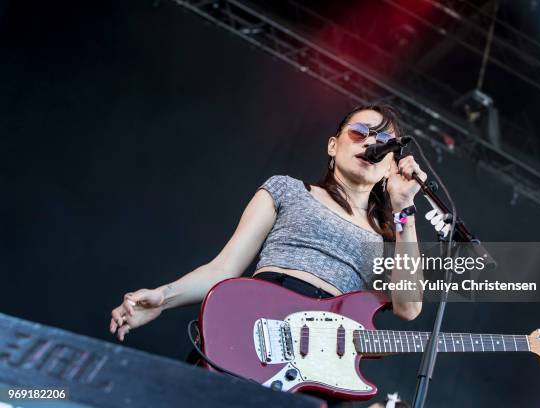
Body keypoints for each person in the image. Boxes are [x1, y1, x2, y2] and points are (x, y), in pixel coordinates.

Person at [109, 104, 426, 403]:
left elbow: (409, 308)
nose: (371, 142)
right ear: (333, 145)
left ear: (391, 164)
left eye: (384, 140)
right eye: (359, 132)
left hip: (321, 364)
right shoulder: (287, 189)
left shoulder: (392, 237)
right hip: (255, 330)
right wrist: (163, 297)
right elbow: (223, 269)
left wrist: (404, 209)